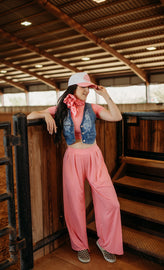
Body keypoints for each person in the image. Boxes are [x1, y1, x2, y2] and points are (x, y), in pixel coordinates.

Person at [27, 72, 123, 264]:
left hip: (94, 155)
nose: (86, 91)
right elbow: (30, 115)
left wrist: (105, 95)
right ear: (73, 88)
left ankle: (105, 243)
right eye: (82, 87)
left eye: (88, 88)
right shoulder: (61, 108)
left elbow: (116, 117)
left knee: (111, 202)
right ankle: (80, 246)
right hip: (73, 157)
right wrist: (46, 113)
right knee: (74, 203)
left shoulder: (92, 107)